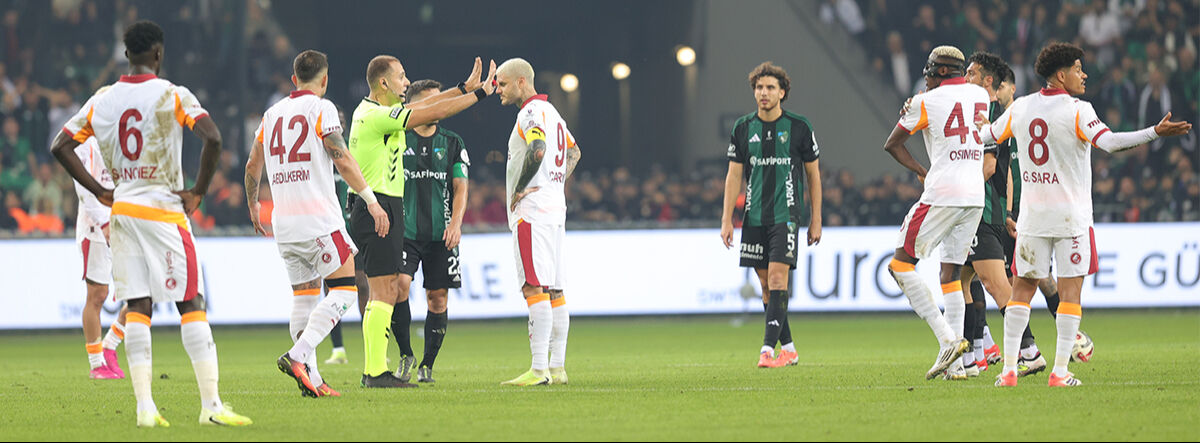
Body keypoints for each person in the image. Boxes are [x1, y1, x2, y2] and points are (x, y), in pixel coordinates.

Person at [50, 20, 251, 427]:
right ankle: (211, 406)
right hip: (162, 210)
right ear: (158, 54)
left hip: (122, 211)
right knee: (190, 301)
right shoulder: (172, 94)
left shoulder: (101, 100)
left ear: (127, 55)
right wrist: (197, 190)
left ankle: (145, 409)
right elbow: (211, 138)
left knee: (137, 305)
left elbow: (60, 145)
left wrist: (102, 191)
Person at [977, 42, 1191, 387]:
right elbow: (1110, 143)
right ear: (1061, 75)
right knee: (1070, 295)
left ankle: (1009, 371)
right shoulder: (1079, 110)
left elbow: (985, 135)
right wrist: (1154, 132)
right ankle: (1060, 372)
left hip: (1032, 219)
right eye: (1079, 68)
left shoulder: (1021, 108)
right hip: (1070, 219)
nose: (1084, 74)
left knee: (1021, 293)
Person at [245, 49, 388, 398]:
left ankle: (312, 376)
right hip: (319, 220)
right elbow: (342, 158)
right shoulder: (321, 109)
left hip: (284, 223)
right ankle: (298, 356)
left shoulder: (271, 113)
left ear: (294, 79)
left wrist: (253, 205)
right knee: (345, 291)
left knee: (304, 297)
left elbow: (252, 166)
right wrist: (372, 202)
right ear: (324, 80)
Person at [349, 54, 496, 388]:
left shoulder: (369, 112)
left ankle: (376, 369)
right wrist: (479, 94)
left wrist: (461, 88)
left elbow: (429, 106)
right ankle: (375, 371)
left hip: (379, 205)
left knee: (384, 290)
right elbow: (435, 111)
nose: (406, 83)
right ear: (383, 83)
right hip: (379, 205)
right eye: (401, 77)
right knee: (384, 291)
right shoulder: (380, 118)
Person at [883, 45, 987, 380]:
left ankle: (946, 339)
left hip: (943, 191)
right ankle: (955, 367)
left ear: (941, 72)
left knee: (899, 265)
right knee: (951, 275)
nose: (926, 76)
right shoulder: (981, 95)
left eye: (930, 70)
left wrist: (919, 170)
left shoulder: (922, 102)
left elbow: (893, 144)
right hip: (975, 195)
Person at [719, 61, 822, 369]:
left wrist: (816, 217)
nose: (763, 93)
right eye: (759, 88)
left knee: (778, 278)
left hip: (786, 214)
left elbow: (814, 176)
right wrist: (727, 219)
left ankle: (767, 349)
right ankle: (788, 347)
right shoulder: (742, 128)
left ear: (782, 93)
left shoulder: (799, 127)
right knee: (766, 286)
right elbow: (733, 176)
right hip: (753, 217)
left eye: (770, 88)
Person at [495, 58, 581, 386]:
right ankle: (557, 368)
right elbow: (574, 153)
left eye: (502, 83)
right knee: (555, 289)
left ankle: (538, 369)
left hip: (532, 213)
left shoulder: (529, 113)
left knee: (534, 287)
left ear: (520, 82)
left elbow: (538, 148)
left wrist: (520, 188)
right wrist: (554, 183)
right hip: (555, 210)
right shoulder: (554, 114)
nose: (498, 90)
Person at [390, 79, 470, 384]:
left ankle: (427, 364)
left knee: (437, 299)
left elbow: (461, 186)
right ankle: (405, 354)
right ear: (415, 105)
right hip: (405, 232)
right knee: (399, 286)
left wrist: (456, 223)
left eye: (441, 101)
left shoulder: (452, 142)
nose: (440, 107)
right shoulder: (398, 137)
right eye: (432, 102)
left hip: (442, 234)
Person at [73, 135, 130, 380]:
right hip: (95, 228)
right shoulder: (87, 144)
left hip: (127, 223)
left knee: (143, 293)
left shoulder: (128, 140)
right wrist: (103, 221)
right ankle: (97, 363)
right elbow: (83, 189)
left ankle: (110, 345)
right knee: (97, 295)